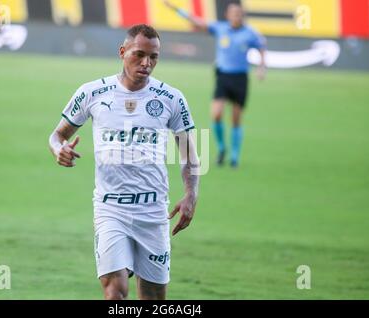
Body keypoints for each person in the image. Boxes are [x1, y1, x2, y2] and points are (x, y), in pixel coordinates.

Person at [48, 24, 199, 300]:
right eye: (139, 55)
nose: (146, 63)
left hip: (154, 212)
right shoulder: (93, 92)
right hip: (110, 209)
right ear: (122, 51)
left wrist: (191, 193)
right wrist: (59, 149)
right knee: (115, 292)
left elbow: (190, 152)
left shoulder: (172, 98)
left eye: (153, 57)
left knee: (152, 299)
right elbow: (57, 134)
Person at [164, 1, 266, 167]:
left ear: (242, 16)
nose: (236, 16)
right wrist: (177, 10)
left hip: (240, 78)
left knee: (236, 118)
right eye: (233, 13)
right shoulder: (220, 28)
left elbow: (262, 46)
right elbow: (198, 22)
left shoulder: (250, 33)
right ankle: (221, 148)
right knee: (217, 114)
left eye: (239, 14)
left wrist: (262, 67)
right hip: (223, 76)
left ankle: (234, 155)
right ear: (227, 15)